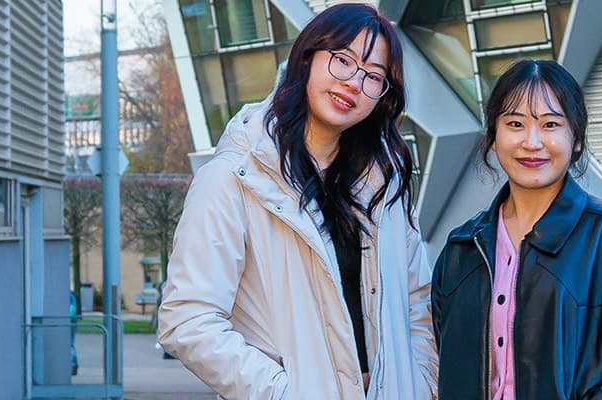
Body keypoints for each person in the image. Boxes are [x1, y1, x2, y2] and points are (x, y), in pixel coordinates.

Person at [156, 3, 436, 399]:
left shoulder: (384, 189)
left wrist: (421, 386)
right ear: (307, 58)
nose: (354, 82)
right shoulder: (233, 178)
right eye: (343, 60)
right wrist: (284, 392)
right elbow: (186, 318)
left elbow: (418, 307)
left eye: (374, 76)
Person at [431, 59, 602, 399]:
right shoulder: (462, 249)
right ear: (493, 137)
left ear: (575, 139)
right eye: (515, 123)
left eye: (550, 125)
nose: (531, 142)